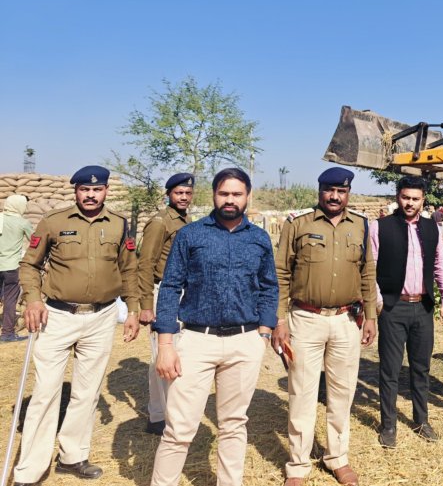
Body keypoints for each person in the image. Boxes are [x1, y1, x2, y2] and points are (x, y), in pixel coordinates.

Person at [150, 168, 278, 486]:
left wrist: (263, 332)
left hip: (244, 341)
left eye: (237, 194)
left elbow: (269, 287)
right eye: (224, 193)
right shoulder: (191, 235)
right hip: (196, 340)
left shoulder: (259, 239)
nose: (230, 200)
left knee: (234, 424)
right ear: (214, 195)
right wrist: (165, 345)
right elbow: (169, 288)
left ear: (248, 196)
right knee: (179, 428)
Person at [13, 165, 140, 486]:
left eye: (97, 190)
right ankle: (30, 469)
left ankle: (73, 456)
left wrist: (135, 309)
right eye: (85, 189)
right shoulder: (53, 222)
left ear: (106, 191)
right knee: (45, 392)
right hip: (56, 316)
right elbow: (29, 264)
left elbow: (129, 269)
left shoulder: (119, 224)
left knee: (87, 392)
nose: (91, 195)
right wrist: (32, 300)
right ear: (76, 191)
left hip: (101, 317)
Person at [273, 167, 377, 486]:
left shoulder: (360, 225)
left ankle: (337, 458)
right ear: (319, 191)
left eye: (341, 191)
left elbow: (367, 272)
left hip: (347, 321)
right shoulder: (298, 225)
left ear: (349, 193)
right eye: (329, 190)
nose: (334, 196)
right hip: (305, 320)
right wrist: (279, 320)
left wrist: (370, 316)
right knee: (302, 392)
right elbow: (281, 273)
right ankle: (298, 465)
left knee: (342, 393)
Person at [370, 176, 443, 448]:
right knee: (390, 370)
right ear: (398, 197)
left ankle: (421, 420)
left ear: (423, 200)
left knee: (421, 368)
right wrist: (379, 301)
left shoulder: (432, 228)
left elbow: (440, 263)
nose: (410, 203)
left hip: (424, 308)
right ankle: (389, 424)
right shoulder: (380, 227)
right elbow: (369, 268)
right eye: (406, 197)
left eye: (415, 199)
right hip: (393, 308)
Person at [137, 172, 194, 435]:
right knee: (162, 354)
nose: (184, 197)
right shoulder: (160, 222)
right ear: (169, 194)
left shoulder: (184, 219)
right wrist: (146, 305)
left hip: (181, 291)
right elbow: (145, 263)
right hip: (162, 292)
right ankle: (163, 416)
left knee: (171, 354)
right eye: (179, 193)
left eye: (187, 193)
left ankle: (164, 413)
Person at [0, 194, 32, 342]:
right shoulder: (22, 222)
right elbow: (34, 242)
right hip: (11, 267)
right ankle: (7, 334)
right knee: (10, 301)